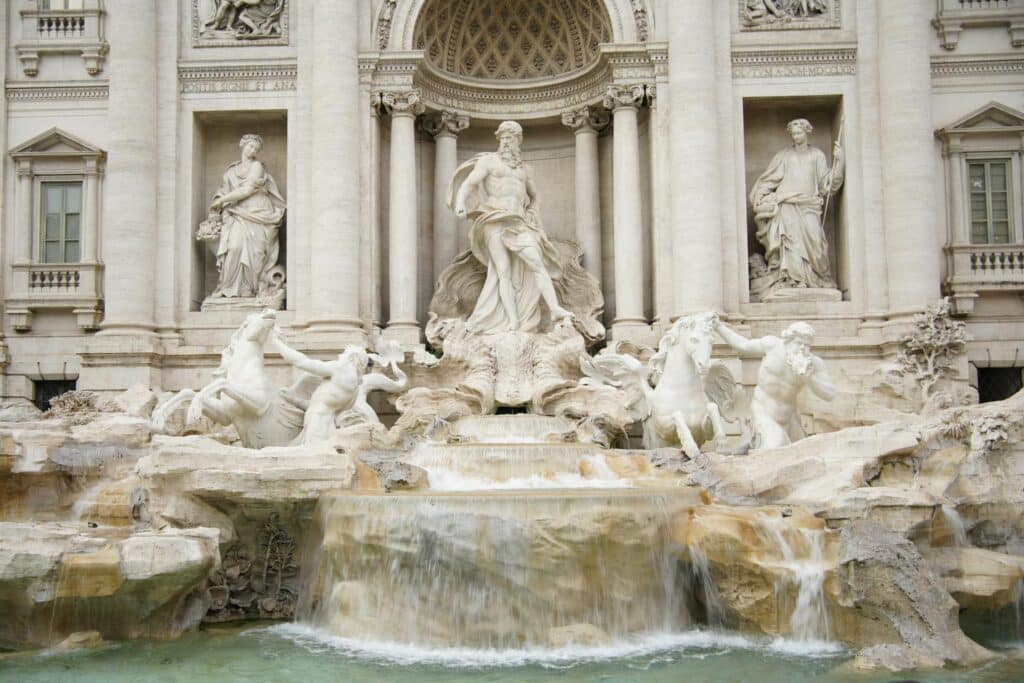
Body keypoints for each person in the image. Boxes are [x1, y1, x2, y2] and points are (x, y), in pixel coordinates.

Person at [449, 121, 574, 334]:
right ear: (499, 139)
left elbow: (535, 196)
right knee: (502, 270)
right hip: (494, 219)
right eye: (504, 137)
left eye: (512, 138)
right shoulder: (489, 162)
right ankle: (513, 321)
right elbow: (468, 184)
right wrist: (460, 203)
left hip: (518, 222)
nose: (507, 142)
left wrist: (533, 212)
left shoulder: (525, 170)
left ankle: (554, 309)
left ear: (519, 141)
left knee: (537, 263)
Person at [749, 118, 844, 292]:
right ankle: (792, 280)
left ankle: (816, 279)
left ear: (807, 132)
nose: (796, 136)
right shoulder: (783, 156)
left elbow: (827, 185)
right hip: (787, 204)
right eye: (793, 134)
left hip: (809, 205)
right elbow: (768, 179)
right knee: (790, 243)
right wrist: (760, 195)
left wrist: (839, 163)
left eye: (799, 132)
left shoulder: (817, 155)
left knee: (815, 241)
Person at [714, 319, 835, 450]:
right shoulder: (772, 345)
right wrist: (718, 326)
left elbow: (829, 394)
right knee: (776, 445)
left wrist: (809, 378)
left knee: (802, 452)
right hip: (763, 411)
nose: (802, 349)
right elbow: (743, 345)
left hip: (789, 417)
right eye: (799, 343)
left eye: (807, 346)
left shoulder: (814, 364)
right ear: (788, 341)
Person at [270, 332, 406, 445]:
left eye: (343, 355)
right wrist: (294, 400)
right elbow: (324, 403)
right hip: (326, 423)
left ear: (353, 358)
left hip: (318, 423)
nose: (339, 357)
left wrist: (276, 342)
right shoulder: (354, 388)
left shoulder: (341, 369)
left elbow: (301, 362)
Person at [206, 134, 286, 300]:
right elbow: (223, 191)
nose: (253, 150)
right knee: (234, 247)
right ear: (242, 145)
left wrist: (222, 200)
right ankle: (228, 288)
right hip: (236, 213)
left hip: (258, 211)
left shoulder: (257, 166)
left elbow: (247, 190)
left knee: (255, 254)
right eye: (250, 146)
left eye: (256, 149)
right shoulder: (230, 171)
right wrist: (218, 203)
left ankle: (248, 290)